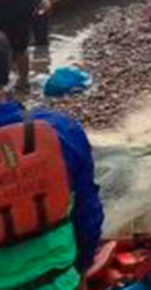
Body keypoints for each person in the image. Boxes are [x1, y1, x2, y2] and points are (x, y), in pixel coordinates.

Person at [0, 31, 104, 289]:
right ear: (9, 68)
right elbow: (88, 216)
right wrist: (80, 271)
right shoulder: (60, 130)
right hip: (61, 281)